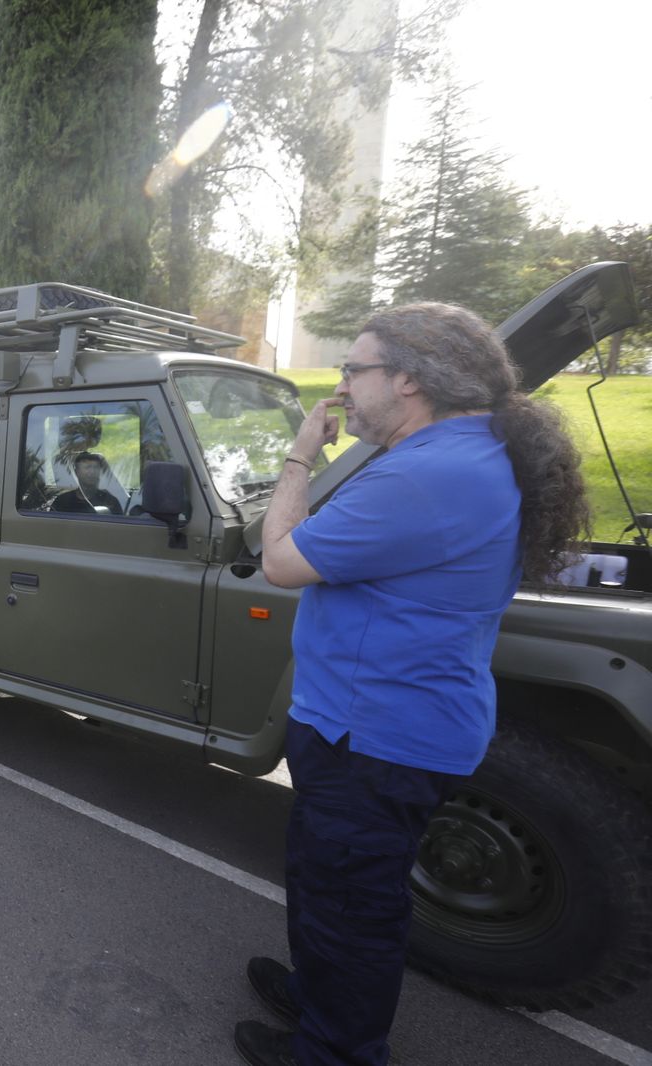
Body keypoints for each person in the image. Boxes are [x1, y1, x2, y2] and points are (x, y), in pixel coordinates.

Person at [236, 304, 590, 1066]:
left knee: (350, 905)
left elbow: (281, 561)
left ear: (407, 380)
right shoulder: (464, 453)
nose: (342, 387)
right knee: (333, 886)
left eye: (352, 370)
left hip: (373, 736)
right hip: (381, 724)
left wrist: (300, 457)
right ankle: (317, 997)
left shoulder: (427, 473)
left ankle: (335, 1050)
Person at [51, 452, 125, 515]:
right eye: (87, 467)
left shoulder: (110, 502)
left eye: (96, 467)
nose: (92, 472)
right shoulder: (62, 502)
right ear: (77, 472)